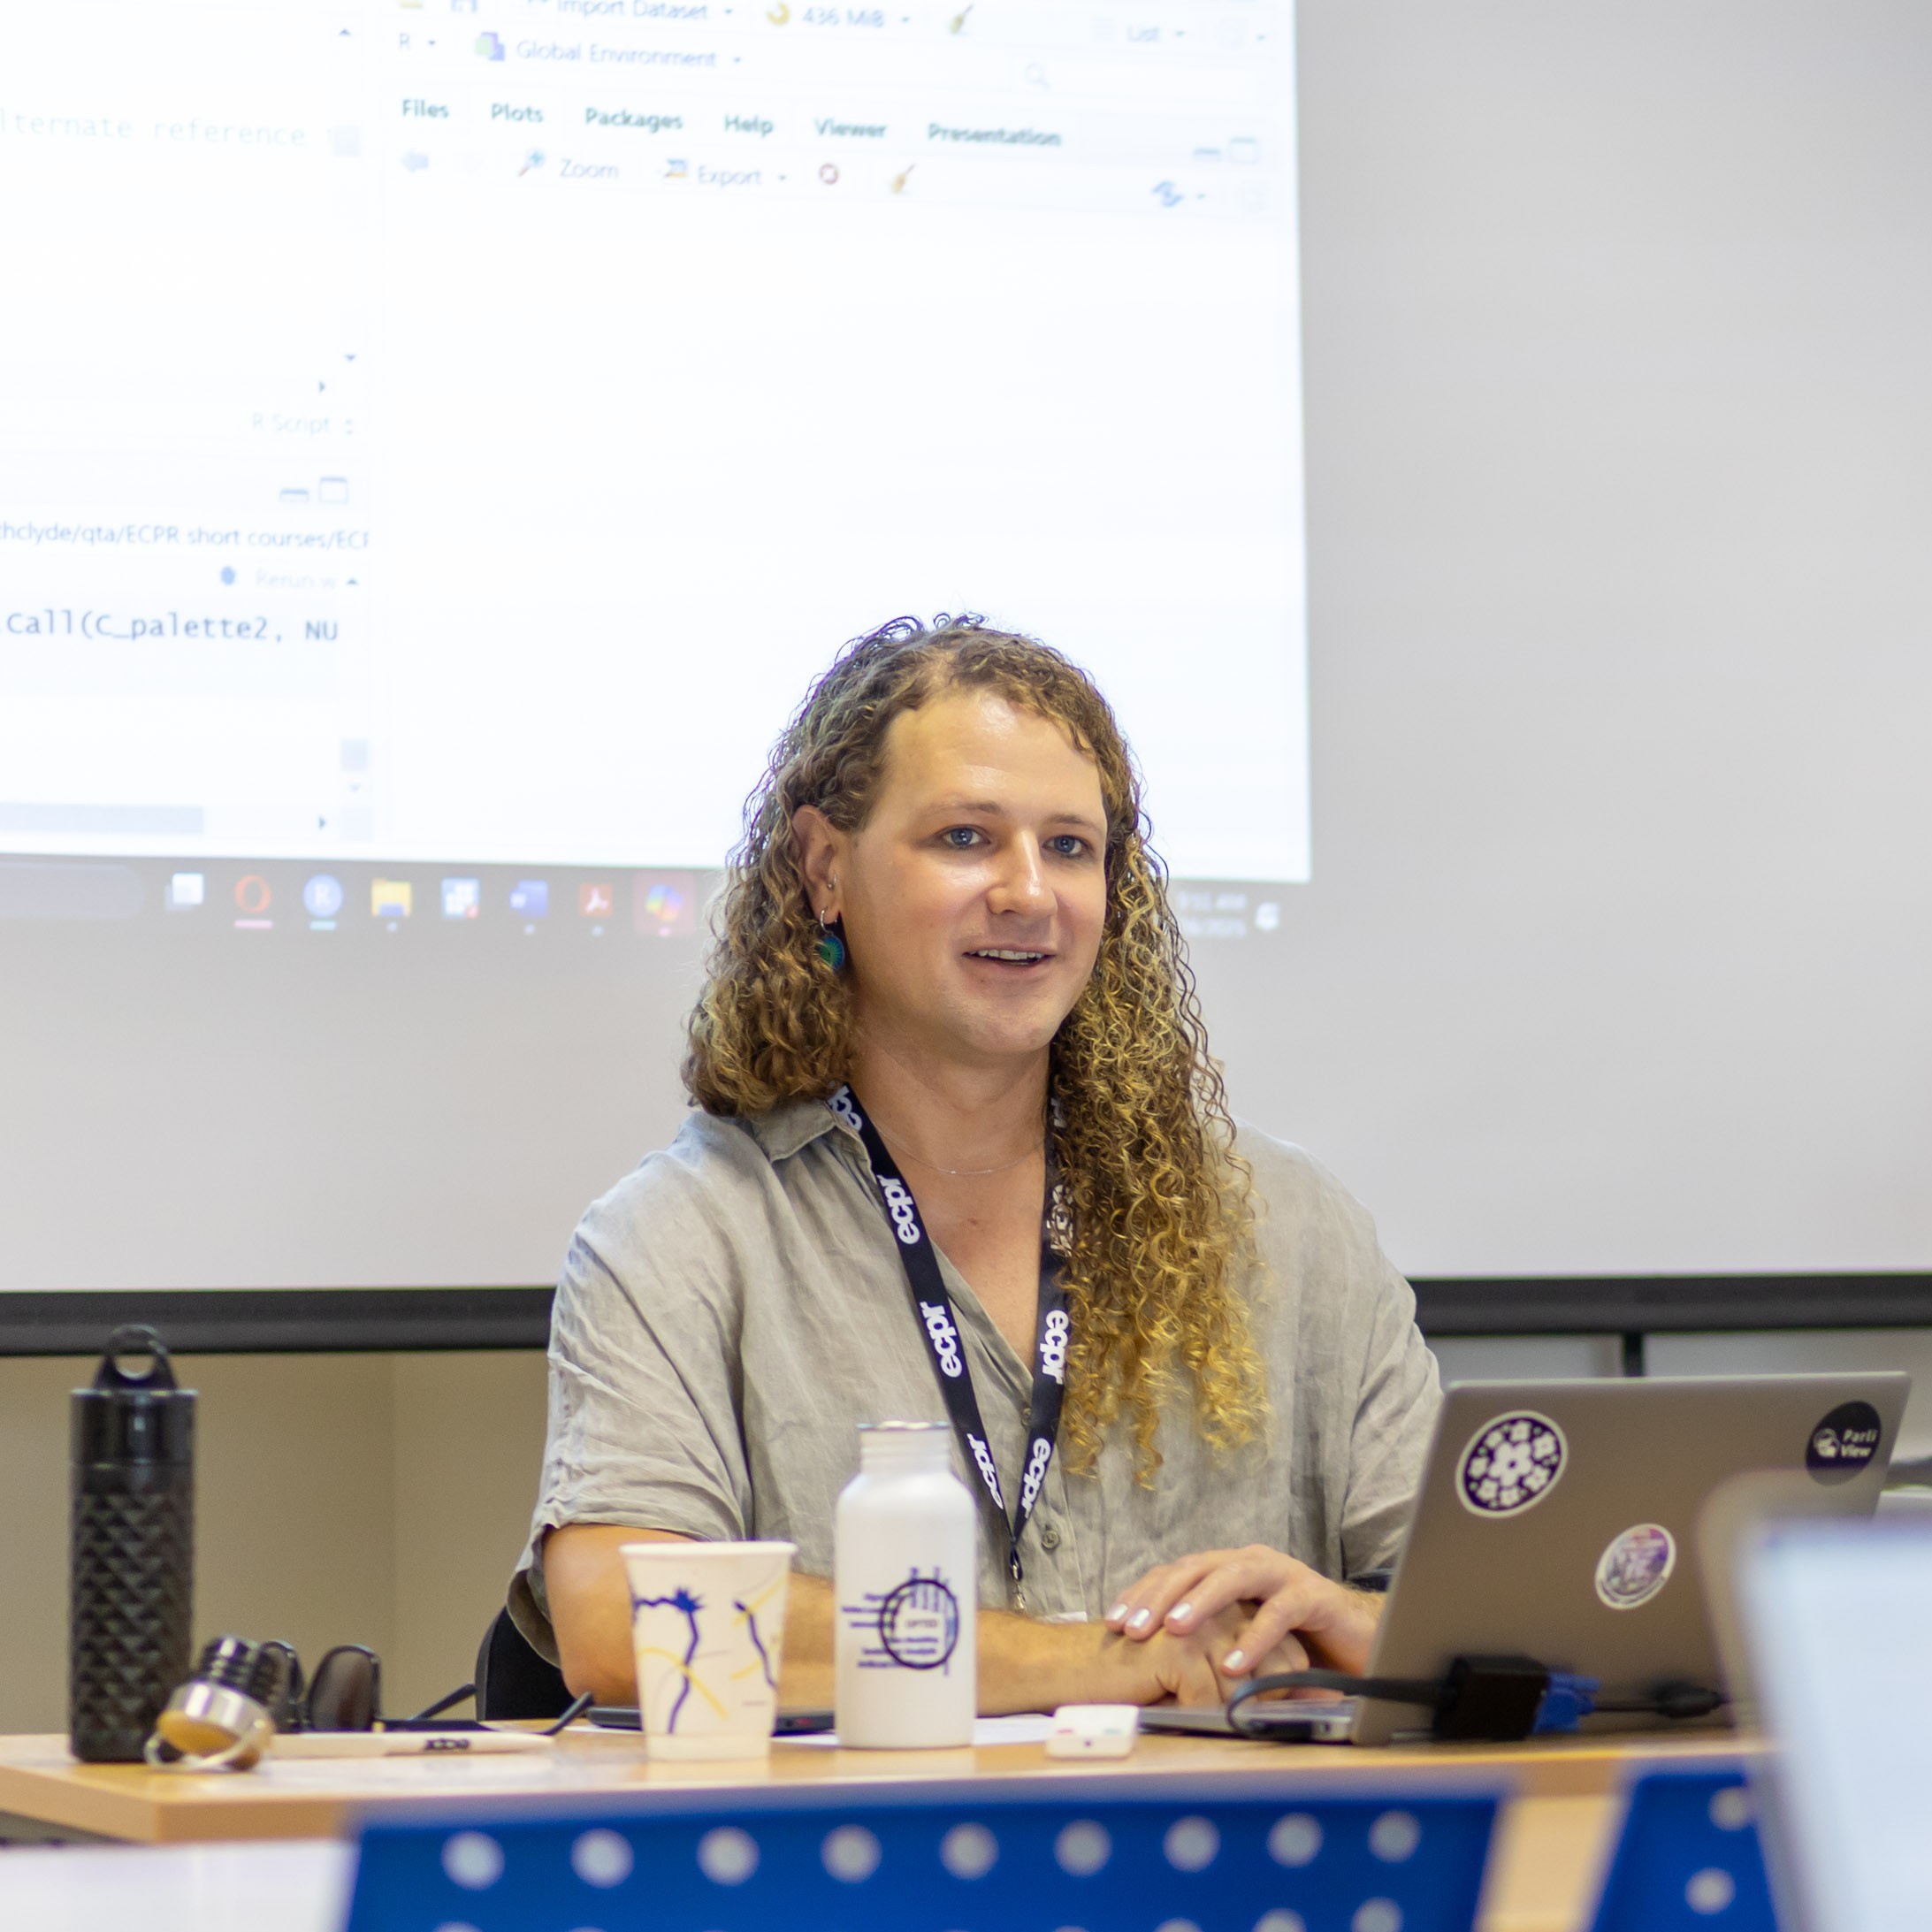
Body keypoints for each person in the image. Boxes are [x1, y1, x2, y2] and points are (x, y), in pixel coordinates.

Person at [509, 616, 1440, 1711]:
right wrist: (1104, 1658)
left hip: (1230, 1871)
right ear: (823, 868)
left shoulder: (1292, 1227)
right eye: (964, 838)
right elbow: (622, 1625)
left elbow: (1498, 1622)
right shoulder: (682, 1235)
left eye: (1069, 847)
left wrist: (1355, 1628)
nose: (1028, 893)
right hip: (861, 1872)